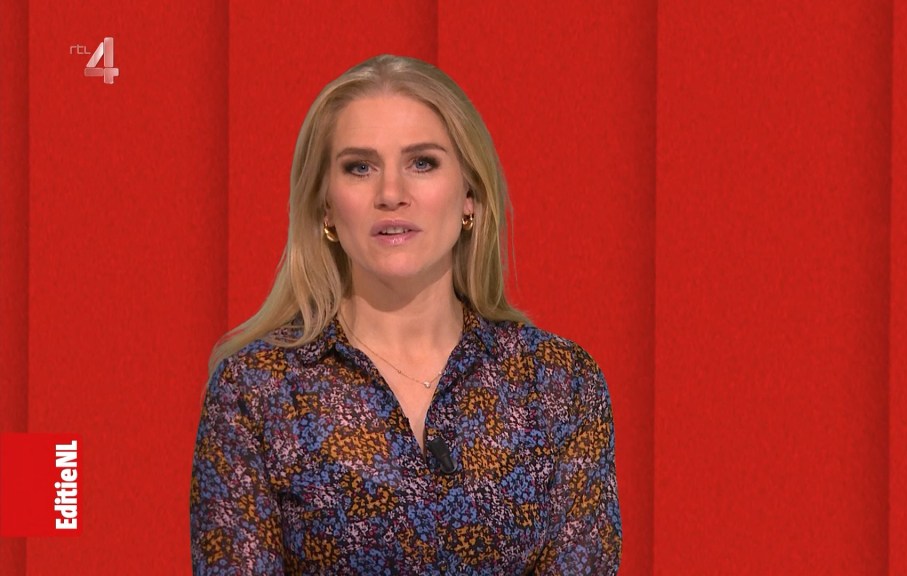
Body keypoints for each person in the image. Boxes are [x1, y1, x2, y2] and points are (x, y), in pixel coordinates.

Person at [190, 54, 621, 575]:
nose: (391, 194)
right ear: (326, 206)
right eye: (359, 167)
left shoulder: (559, 384)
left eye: (422, 163)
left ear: (469, 195)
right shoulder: (255, 391)